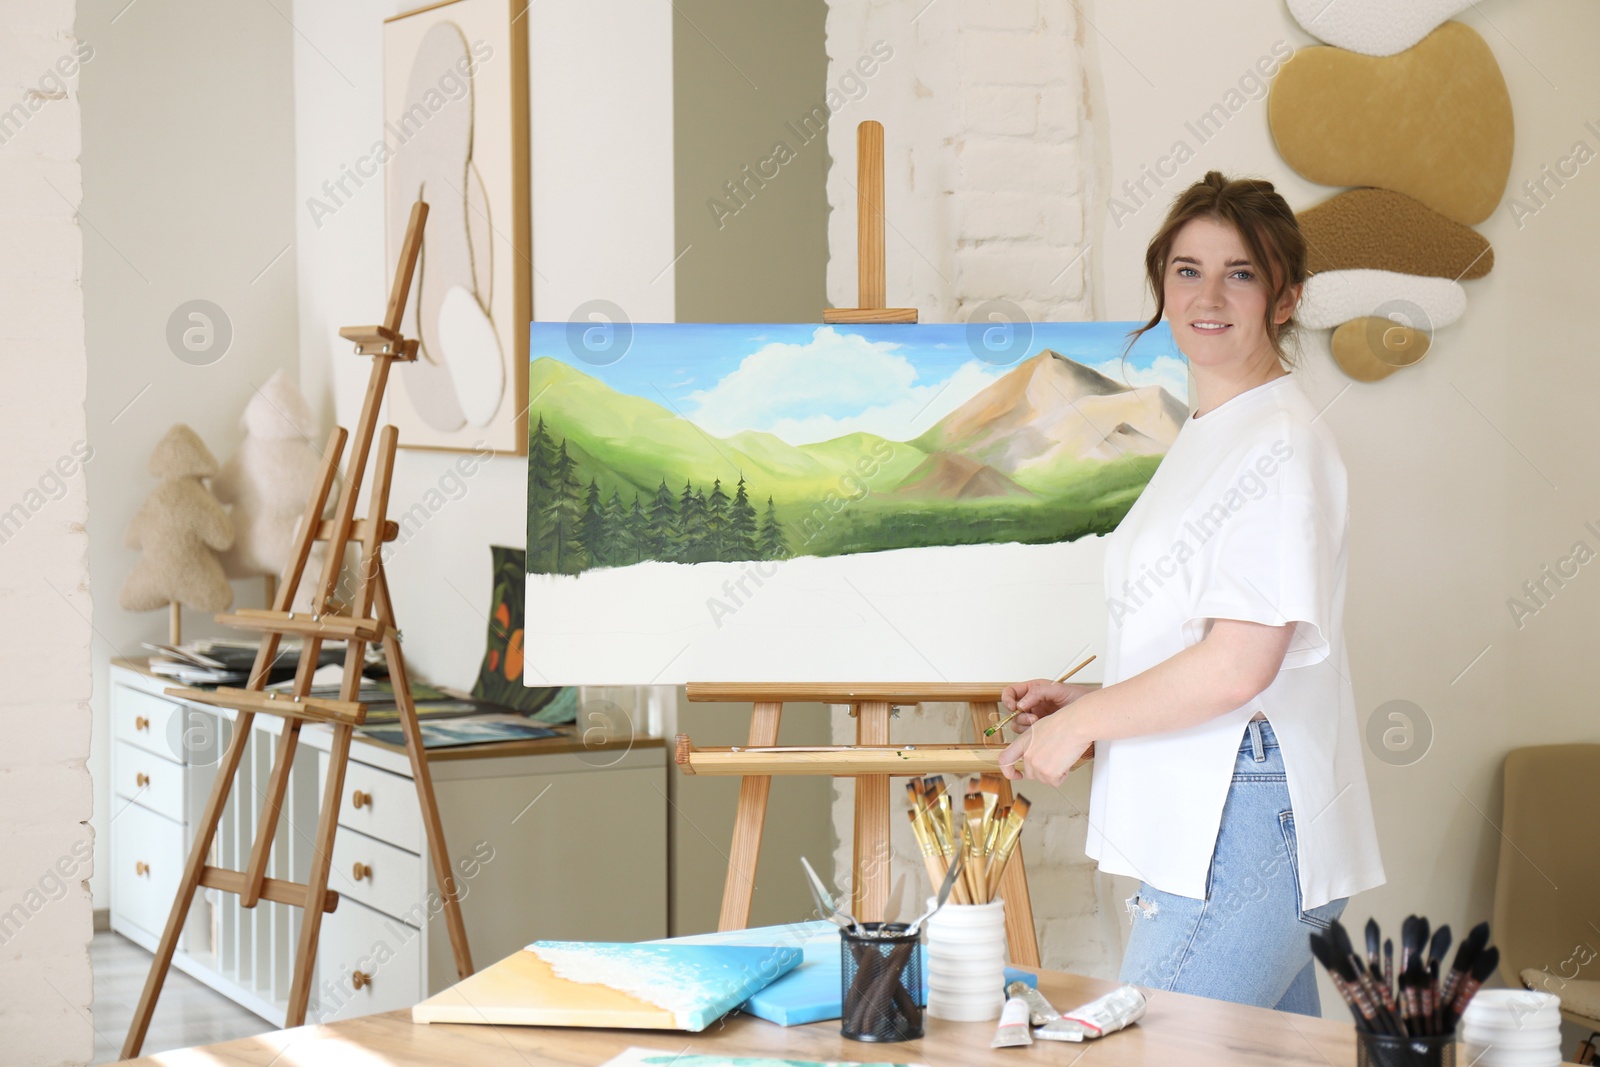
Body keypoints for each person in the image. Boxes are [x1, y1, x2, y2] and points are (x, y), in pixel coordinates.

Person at [997, 170, 1386, 1017]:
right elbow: (1207, 650)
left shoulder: (1279, 441)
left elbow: (1240, 667)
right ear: (1162, 288)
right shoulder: (1213, 435)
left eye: (1240, 272)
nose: (1209, 294)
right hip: (1228, 818)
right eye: (1186, 269)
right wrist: (1093, 699)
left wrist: (1081, 724)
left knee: (1148, 1045)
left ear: (1284, 299)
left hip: (1244, 828)